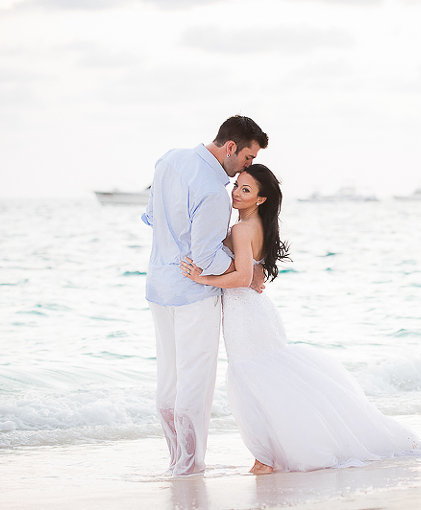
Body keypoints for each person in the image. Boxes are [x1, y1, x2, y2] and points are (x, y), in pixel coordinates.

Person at [181, 164, 421, 474]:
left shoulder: (242, 228)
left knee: (256, 381)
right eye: (236, 186)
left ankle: (266, 458)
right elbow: (250, 272)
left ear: (260, 199)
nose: (236, 193)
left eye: (245, 190)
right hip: (254, 313)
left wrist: (202, 278)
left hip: (246, 315)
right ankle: (267, 455)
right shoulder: (257, 225)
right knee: (264, 382)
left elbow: (244, 276)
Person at [142, 115, 269, 476]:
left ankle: (175, 460)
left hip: (157, 286)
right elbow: (206, 259)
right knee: (194, 384)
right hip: (194, 293)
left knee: (168, 380)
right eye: (247, 158)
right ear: (231, 147)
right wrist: (247, 265)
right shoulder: (214, 192)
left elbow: (150, 217)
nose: (246, 166)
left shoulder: (168, 160)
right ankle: (189, 465)